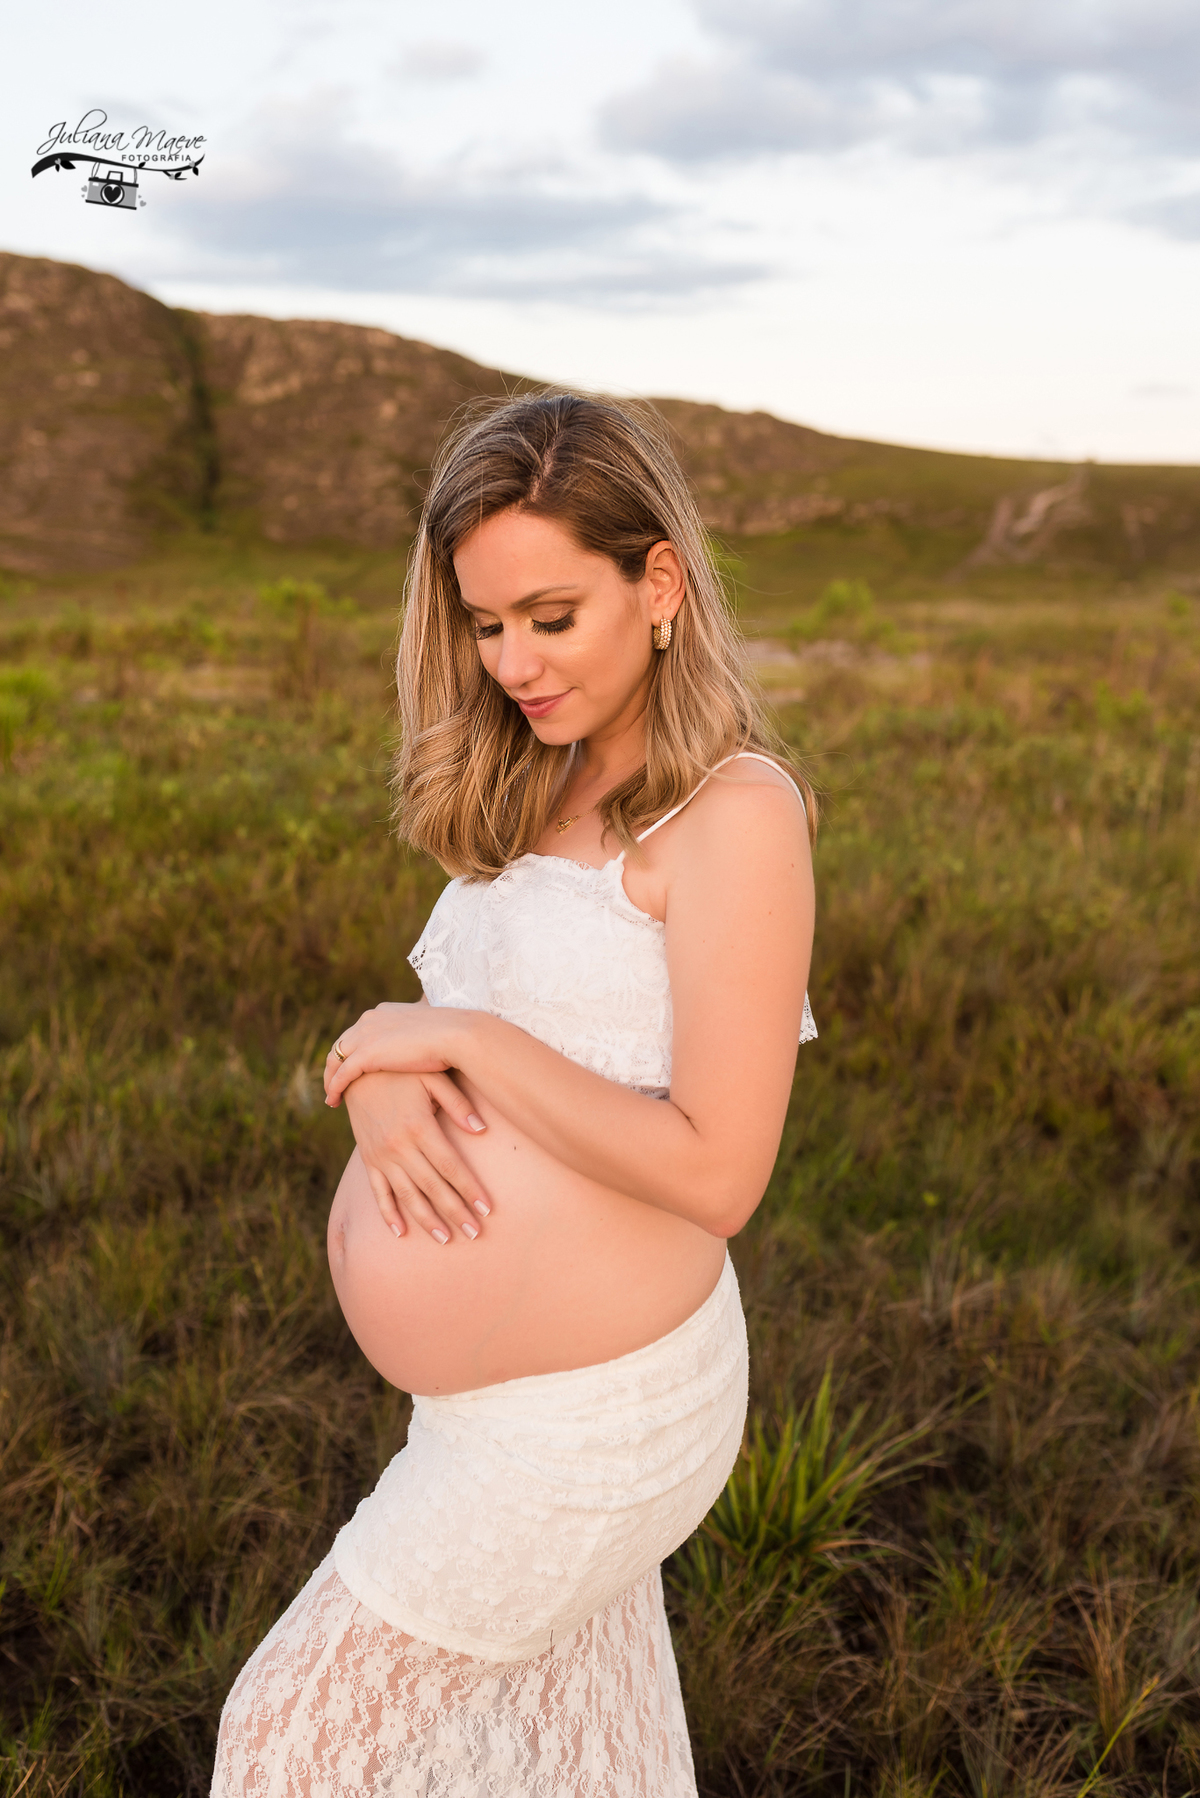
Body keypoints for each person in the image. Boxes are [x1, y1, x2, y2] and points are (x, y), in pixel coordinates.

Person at [210, 392, 816, 1797]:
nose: (513, 661)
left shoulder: (733, 814)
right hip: (490, 1402)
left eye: (552, 615)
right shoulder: (533, 776)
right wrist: (380, 1087)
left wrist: (461, 1044)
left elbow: (719, 1168)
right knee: (572, 1759)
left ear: (657, 583)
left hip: (603, 1409)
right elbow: (428, 1032)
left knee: (287, 1741)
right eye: (485, 624)